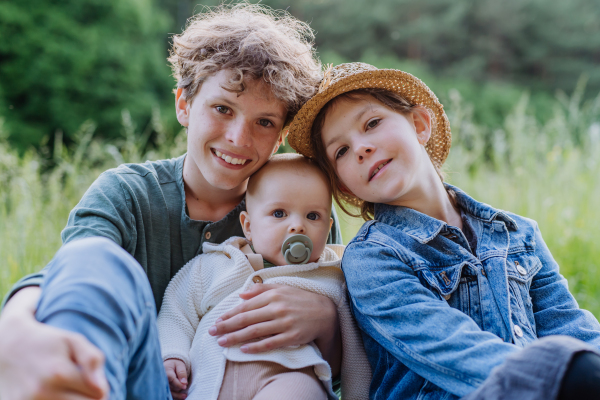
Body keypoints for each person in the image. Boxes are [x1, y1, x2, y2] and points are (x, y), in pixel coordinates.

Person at [0, 5, 345, 400]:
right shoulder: (127, 193)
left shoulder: (303, 211)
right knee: (99, 257)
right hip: (136, 385)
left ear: (280, 135)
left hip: (259, 387)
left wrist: (327, 324)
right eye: (222, 109)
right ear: (184, 105)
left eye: (264, 122)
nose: (238, 137)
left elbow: (327, 371)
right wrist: (14, 326)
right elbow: (74, 274)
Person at [286, 62, 600, 400]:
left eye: (372, 123)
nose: (361, 148)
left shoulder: (517, 233)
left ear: (420, 125)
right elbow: (457, 352)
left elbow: (571, 327)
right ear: (345, 187)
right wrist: (566, 374)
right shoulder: (373, 258)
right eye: (341, 151)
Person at [157, 154, 371, 400]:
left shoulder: (333, 277)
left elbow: (357, 350)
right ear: (248, 226)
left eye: (313, 216)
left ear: (328, 227)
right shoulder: (217, 263)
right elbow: (176, 310)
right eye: (279, 213)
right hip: (206, 384)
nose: (297, 226)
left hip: (289, 378)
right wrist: (172, 354)